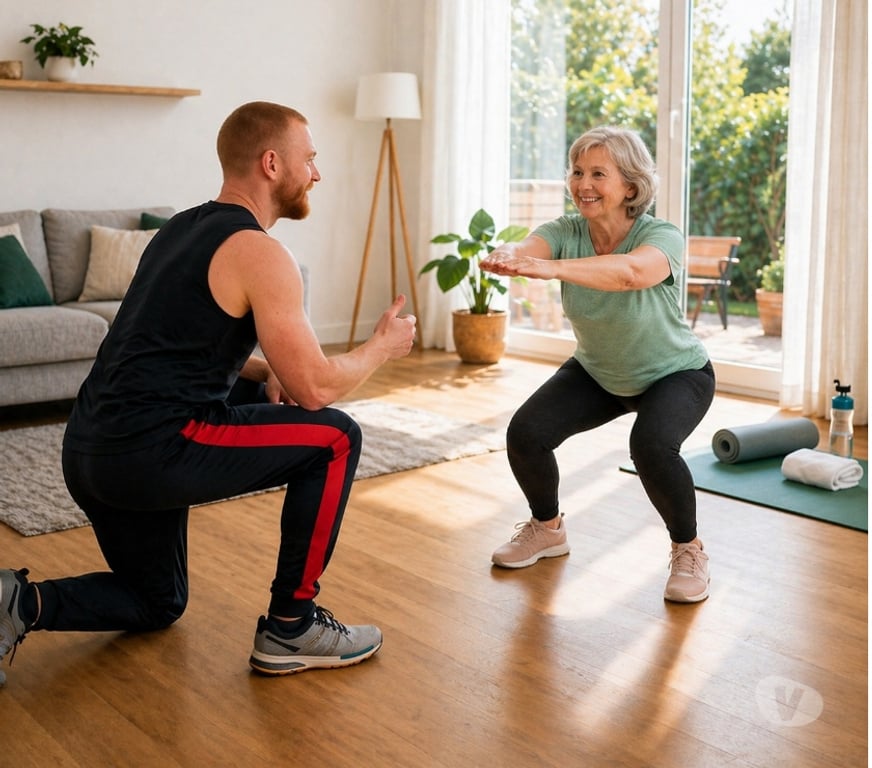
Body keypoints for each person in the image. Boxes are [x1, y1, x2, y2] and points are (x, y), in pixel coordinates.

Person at [0, 101, 417, 679]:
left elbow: (173, 342)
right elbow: (317, 388)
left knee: (158, 602)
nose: (316, 173)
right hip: (153, 450)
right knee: (335, 438)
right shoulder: (261, 252)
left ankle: (17, 604)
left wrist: (264, 369)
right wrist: (381, 347)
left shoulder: (178, 229)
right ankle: (291, 627)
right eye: (310, 159)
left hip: (90, 449)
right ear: (272, 163)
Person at [480, 126, 715, 603]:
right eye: (578, 171)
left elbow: (631, 273)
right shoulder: (566, 232)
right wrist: (510, 257)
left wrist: (553, 269)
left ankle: (689, 549)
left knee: (650, 446)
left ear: (630, 185)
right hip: (600, 371)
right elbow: (529, 249)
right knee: (526, 433)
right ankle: (547, 529)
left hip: (676, 373)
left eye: (598, 174)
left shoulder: (661, 235)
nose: (583, 183)